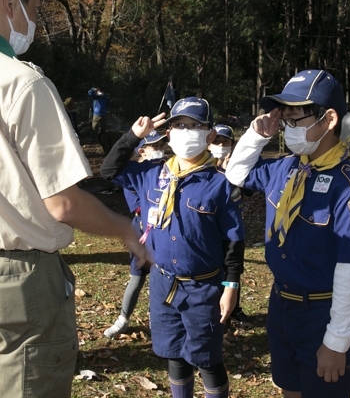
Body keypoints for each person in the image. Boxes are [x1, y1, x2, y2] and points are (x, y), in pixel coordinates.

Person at [0, 0, 147, 397]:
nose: (34, 16)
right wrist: (125, 229)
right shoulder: (20, 81)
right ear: (7, 3)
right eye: (33, 4)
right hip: (21, 281)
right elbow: (63, 202)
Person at [226, 70, 350, 398]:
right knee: (289, 389)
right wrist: (256, 136)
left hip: (322, 315)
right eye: (285, 117)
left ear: (329, 118)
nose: (286, 124)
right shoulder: (287, 167)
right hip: (281, 305)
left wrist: (337, 342)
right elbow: (236, 174)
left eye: (295, 116)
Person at [100, 97, 245, 398]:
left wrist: (231, 285)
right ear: (168, 133)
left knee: (207, 360)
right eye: (179, 125)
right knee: (174, 355)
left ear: (210, 135)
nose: (186, 131)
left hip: (204, 287)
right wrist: (133, 136)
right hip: (163, 282)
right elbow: (108, 170)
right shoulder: (152, 174)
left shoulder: (220, 183)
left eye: (195, 126)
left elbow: (233, 239)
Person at [104, 130, 168, 338]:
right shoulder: (136, 173)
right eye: (154, 147)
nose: (160, 150)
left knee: (163, 279)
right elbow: (110, 169)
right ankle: (123, 318)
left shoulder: (170, 168)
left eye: (162, 146)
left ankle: (158, 319)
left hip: (165, 231)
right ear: (142, 150)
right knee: (137, 277)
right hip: (142, 231)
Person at [207, 124, 255, 327]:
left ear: (232, 145)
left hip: (232, 228)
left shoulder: (238, 165)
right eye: (216, 141)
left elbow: (250, 191)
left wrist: (234, 174)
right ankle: (214, 310)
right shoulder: (203, 165)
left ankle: (234, 309)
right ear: (208, 144)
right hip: (209, 228)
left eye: (225, 142)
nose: (220, 145)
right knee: (213, 269)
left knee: (232, 268)